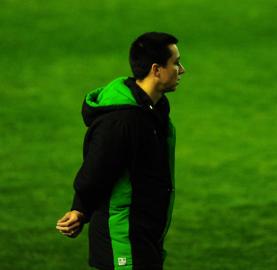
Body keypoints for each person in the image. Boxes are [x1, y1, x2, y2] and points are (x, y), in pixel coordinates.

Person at [56, 32, 185, 270]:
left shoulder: (154, 107)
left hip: (143, 233)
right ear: (156, 70)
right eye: (176, 63)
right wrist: (80, 210)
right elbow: (96, 170)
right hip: (122, 236)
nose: (182, 69)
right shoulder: (123, 120)